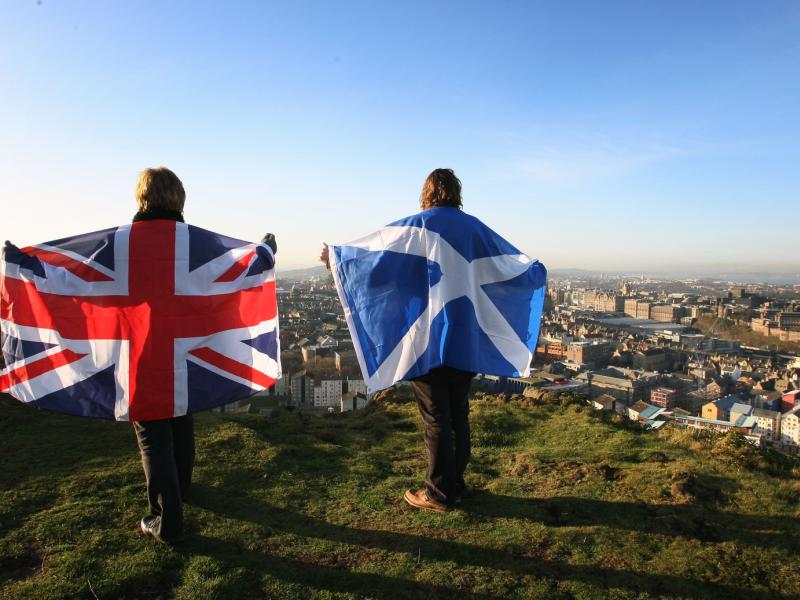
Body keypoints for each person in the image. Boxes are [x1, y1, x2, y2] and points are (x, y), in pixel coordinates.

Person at [132, 167, 277, 543]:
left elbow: (76, 278)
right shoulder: (192, 244)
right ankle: (183, 488)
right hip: (186, 353)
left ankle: (168, 521)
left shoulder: (124, 245)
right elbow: (231, 272)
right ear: (178, 198)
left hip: (143, 355)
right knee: (180, 419)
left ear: (142, 197)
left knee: (153, 436)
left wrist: (26, 265)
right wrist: (261, 253)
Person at [320, 168, 476, 513]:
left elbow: (378, 267)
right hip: (465, 338)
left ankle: (439, 494)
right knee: (458, 415)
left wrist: (337, 261)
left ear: (427, 194)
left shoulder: (416, 229)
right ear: (456, 193)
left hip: (428, 339)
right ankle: (456, 484)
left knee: (437, 418)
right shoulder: (473, 230)